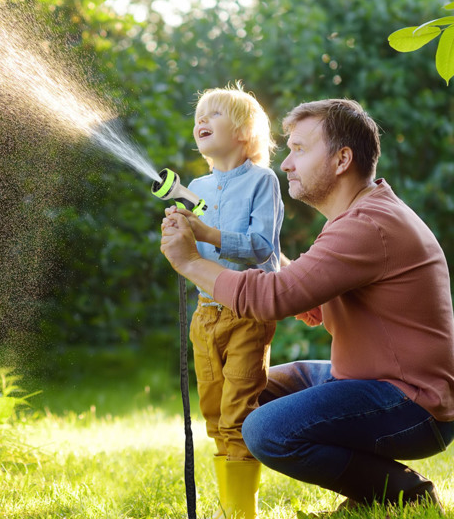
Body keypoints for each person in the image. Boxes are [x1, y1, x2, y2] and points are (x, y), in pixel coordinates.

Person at [160, 98, 454, 513]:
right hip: (361, 379)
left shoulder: (367, 226)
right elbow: (309, 298)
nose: (286, 164)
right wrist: (241, 244)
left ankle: (399, 491)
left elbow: (271, 299)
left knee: (262, 428)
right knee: (244, 389)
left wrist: (191, 261)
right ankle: (377, 484)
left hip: (410, 403)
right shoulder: (355, 218)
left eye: (299, 149)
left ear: (341, 160)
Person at [167, 82, 283, 519]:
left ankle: (241, 513)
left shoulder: (262, 181)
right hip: (205, 312)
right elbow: (191, 250)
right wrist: (179, 229)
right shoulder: (194, 185)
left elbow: (261, 246)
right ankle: (231, 506)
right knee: (214, 409)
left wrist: (206, 233)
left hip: (248, 312)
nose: (201, 121)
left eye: (214, 114)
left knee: (238, 409)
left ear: (244, 132)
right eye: (199, 115)